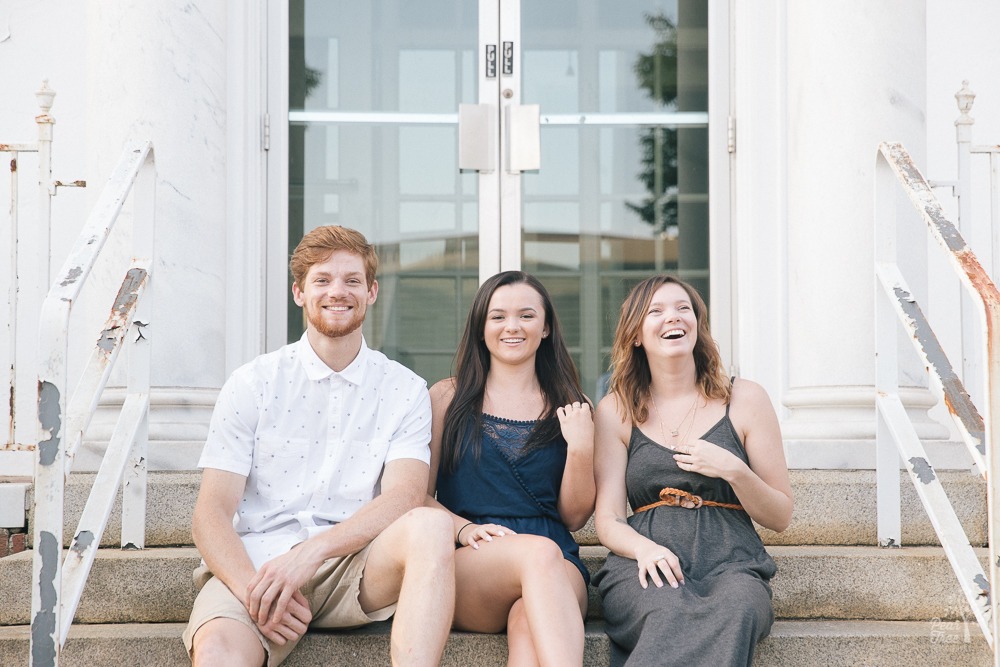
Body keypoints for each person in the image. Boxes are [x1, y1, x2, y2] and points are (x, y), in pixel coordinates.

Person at [183, 225, 456, 667]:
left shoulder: (404, 389)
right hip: (259, 565)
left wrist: (312, 553)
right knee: (216, 653)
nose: (338, 292)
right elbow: (209, 514)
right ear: (299, 292)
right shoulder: (253, 383)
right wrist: (254, 590)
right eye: (323, 280)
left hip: (359, 564)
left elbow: (405, 496)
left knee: (431, 525)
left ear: (371, 292)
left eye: (352, 280)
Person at [592, 275, 793, 667]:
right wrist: (644, 549)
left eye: (684, 308)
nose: (674, 318)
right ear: (636, 334)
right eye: (657, 311)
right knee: (667, 607)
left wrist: (735, 470)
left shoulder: (746, 398)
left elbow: (780, 515)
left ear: (698, 325)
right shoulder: (615, 410)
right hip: (645, 560)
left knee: (739, 608)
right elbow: (608, 519)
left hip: (733, 560)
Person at [427, 270, 595, 666]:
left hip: (558, 557)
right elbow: (415, 494)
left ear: (547, 326)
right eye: (498, 316)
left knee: (526, 623)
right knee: (537, 554)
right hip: (472, 553)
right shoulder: (446, 396)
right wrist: (462, 528)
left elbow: (573, 516)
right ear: (481, 328)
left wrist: (582, 448)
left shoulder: (573, 402)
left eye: (526, 315)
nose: (512, 327)